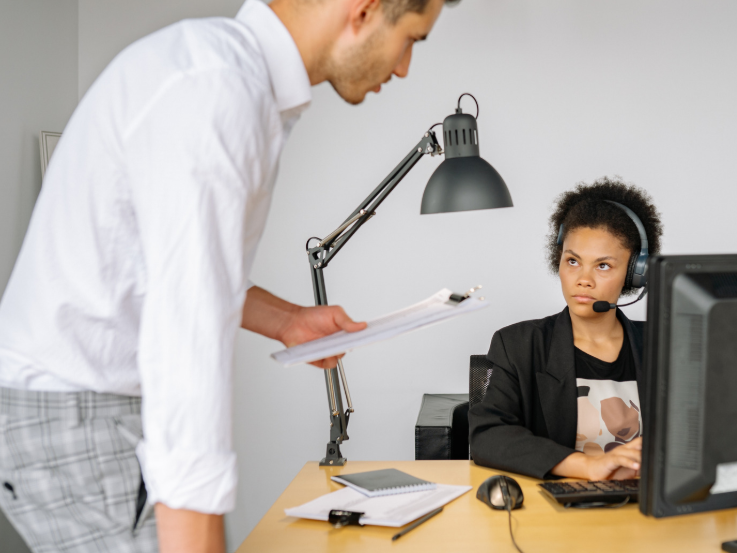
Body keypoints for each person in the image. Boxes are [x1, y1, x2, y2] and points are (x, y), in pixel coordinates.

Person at [0, 0, 455, 551]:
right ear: (362, 10)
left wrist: (288, 321)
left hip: (79, 401)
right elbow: (185, 343)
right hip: (75, 408)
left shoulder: (231, 79)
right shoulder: (218, 93)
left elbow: (180, 267)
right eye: (411, 38)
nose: (404, 66)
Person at [468, 177, 663, 481]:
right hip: (560, 513)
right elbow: (488, 436)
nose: (583, 279)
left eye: (603, 266)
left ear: (633, 273)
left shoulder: (665, 344)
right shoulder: (519, 345)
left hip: (645, 509)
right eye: (573, 261)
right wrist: (589, 467)